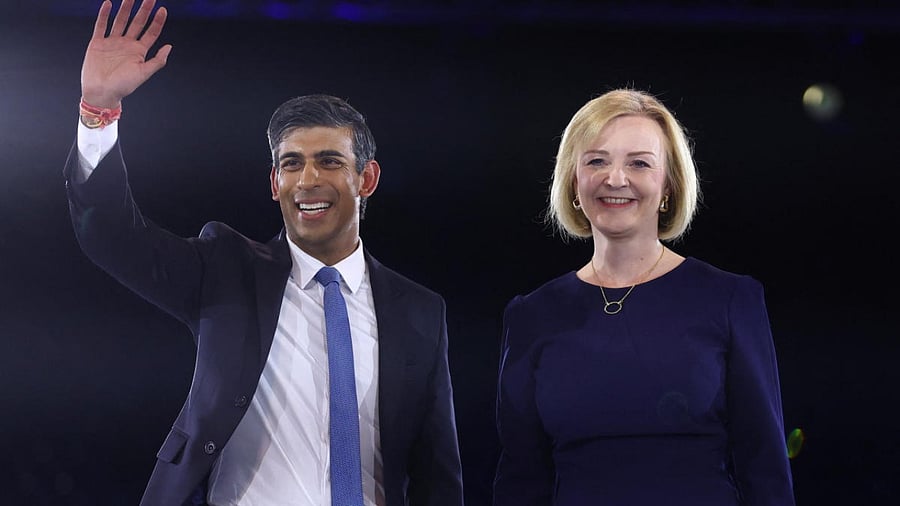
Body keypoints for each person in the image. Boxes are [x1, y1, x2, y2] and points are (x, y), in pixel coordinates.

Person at [64, 1, 464, 505]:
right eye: (291, 164)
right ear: (275, 183)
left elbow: (436, 476)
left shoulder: (421, 312)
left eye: (329, 161)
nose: (308, 180)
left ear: (367, 178)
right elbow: (111, 236)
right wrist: (98, 111)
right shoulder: (226, 270)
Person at [492, 88, 795, 505]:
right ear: (574, 182)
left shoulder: (729, 299)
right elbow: (521, 480)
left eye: (639, 163)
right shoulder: (532, 315)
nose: (616, 178)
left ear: (668, 185)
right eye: (597, 160)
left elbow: (765, 470)